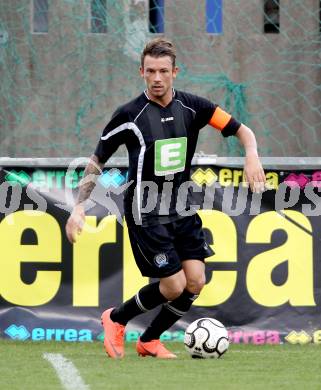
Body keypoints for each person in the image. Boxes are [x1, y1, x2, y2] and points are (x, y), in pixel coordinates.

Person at [65, 38, 266, 359]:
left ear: (175, 72)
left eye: (163, 71)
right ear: (141, 72)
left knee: (196, 282)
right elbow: (97, 159)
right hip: (146, 211)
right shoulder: (129, 114)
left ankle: (149, 340)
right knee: (172, 286)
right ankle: (115, 319)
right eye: (150, 71)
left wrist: (252, 154)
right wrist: (79, 206)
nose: (157, 77)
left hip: (182, 207)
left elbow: (242, 130)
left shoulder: (194, 107)